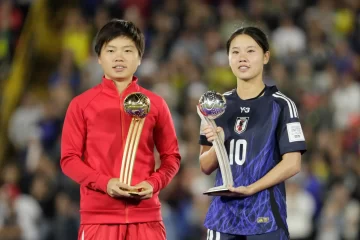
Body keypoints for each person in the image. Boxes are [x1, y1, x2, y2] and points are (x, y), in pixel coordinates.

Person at [60, 19, 181, 240]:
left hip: (146, 219)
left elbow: (171, 157)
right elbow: (69, 160)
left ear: (139, 57)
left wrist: (153, 184)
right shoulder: (81, 105)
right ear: (99, 57)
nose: (119, 57)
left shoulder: (156, 104)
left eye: (127, 50)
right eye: (111, 50)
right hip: (99, 219)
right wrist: (105, 183)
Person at [199, 26, 307, 240]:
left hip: (265, 214)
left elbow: (293, 163)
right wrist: (219, 144)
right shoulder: (216, 106)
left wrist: (251, 188)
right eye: (235, 52)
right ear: (228, 58)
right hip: (224, 216)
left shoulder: (281, 105)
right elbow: (205, 165)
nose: (242, 58)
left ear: (265, 56)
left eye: (250, 51)